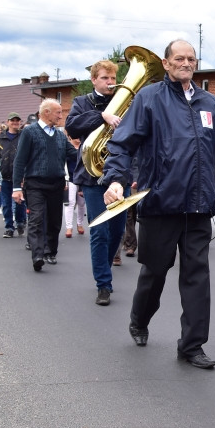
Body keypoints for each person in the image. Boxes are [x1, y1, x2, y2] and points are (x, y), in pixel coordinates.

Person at [102, 39, 215, 369]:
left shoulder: (211, 103)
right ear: (166, 64)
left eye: (191, 58)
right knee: (154, 272)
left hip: (199, 207)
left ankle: (192, 345)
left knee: (197, 276)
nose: (186, 62)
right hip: (160, 204)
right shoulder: (149, 99)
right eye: (179, 58)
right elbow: (122, 144)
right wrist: (115, 180)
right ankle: (139, 320)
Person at [65, 59, 127, 305]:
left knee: (117, 231)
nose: (110, 83)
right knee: (99, 230)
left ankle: (105, 270)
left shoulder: (124, 103)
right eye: (105, 78)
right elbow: (71, 127)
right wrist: (102, 116)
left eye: (113, 78)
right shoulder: (83, 103)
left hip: (118, 176)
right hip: (92, 176)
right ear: (94, 80)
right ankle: (103, 283)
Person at [12, 99, 68, 272]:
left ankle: (51, 251)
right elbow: (20, 160)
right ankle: (37, 255)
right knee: (36, 219)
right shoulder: (30, 131)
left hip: (57, 184)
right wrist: (16, 188)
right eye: (58, 112)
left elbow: (72, 156)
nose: (61, 116)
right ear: (46, 113)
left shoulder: (60, 135)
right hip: (35, 183)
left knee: (54, 221)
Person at [0, 112, 27, 238]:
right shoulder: (1, 137)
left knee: (20, 202)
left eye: (17, 121)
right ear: (7, 122)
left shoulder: (23, 136)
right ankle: (9, 227)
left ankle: (20, 222)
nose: (15, 123)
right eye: (12, 120)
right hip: (4, 175)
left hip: (19, 176)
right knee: (6, 203)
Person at [64, 136, 87, 239]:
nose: (78, 138)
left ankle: (80, 223)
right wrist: (64, 180)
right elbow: (63, 164)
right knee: (70, 202)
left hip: (83, 179)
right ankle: (69, 227)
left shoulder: (84, 146)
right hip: (70, 178)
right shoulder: (67, 148)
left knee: (81, 203)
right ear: (70, 137)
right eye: (75, 135)